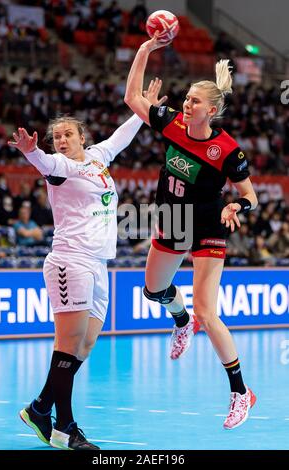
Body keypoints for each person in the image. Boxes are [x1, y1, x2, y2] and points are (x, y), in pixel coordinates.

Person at [8, 80, 166, 450]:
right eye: (56, 136)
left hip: (98, 264)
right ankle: (65, 427)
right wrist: (32, 152)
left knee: (86, 344)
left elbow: (122, 136)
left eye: (67, 134)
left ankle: (39, 408)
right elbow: (44, 163)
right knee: (66, 347)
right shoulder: (59, 166)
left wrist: (145, 110)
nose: (61, 140)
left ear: (82, 137)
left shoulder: (97, 158)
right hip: (69, 261)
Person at [124, 32, 258, 430]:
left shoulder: (229, 150)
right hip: (173, 219)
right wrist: (145, 50)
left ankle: (240, 392)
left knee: (208, 310)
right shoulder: (172, 125)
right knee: (153, 291)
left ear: (211, 110)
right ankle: (180, 320)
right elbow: (133, 98)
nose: (185, 104)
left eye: (194, 101)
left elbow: (249, 194)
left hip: (208, 224)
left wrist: (238, 204)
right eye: (185, 99)